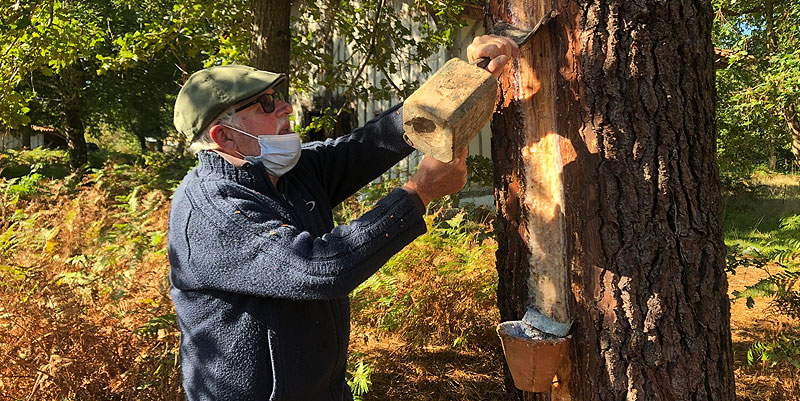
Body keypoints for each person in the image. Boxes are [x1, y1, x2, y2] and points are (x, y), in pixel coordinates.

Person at [167, 35, 518, 400]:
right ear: (223, 136)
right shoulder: (212, 211)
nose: (286, 108)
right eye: (266, 104)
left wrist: (468, 71)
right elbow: (319, 269)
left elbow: (373, 141)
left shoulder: (288, 172)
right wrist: (419, 192)